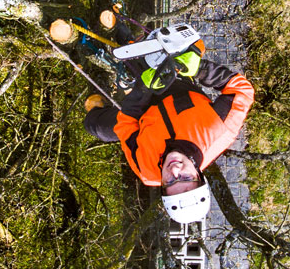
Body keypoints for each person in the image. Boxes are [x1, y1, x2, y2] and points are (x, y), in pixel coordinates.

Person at [84, 55, 254, 224]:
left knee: (95, 126)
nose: (174, 171)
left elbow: (126, 124)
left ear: (162, 187)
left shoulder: (146, 170)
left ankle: (96, 85)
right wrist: (200, 69)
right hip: (177, 87)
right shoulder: (217, 131)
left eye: (170, 181)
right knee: (134, 50)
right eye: (186, 178)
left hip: (143, 112)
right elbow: (242, 91)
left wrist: (142, 89)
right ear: (198, 175)